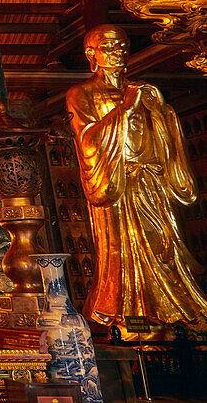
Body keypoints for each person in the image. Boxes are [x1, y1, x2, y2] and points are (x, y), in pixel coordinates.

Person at [66, 24, 207, 330]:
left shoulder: (144, 90)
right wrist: (125, 111)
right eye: (108, 47)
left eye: (121, 45)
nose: (117, 52)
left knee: (166, 244)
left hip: (151, 179)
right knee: (123, 248)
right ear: (91, 54)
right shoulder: (82, 93)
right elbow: (87, 139)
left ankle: (175, 308)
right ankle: (125, 309)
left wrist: (159, 111)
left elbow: (164, 135)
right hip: (117, 183)